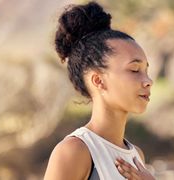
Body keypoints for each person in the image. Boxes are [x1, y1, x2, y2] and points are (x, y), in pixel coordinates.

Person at [44, 1, 155, 179]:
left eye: (146, 71)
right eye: (135, 70)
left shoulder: (137, 156)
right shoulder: (75, 151)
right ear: (98, 80)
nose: (148, 81)